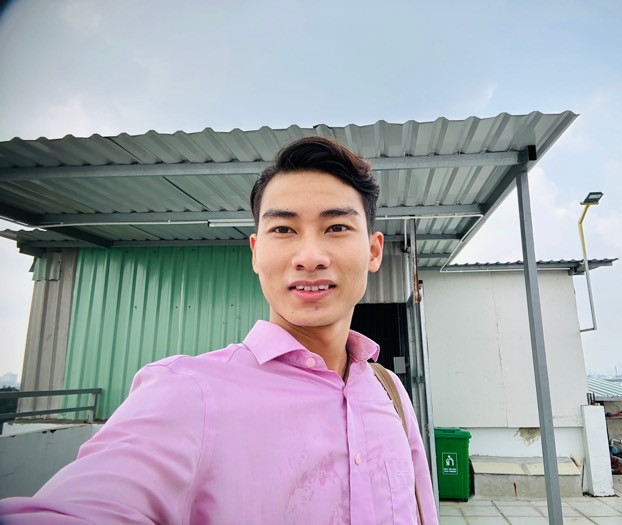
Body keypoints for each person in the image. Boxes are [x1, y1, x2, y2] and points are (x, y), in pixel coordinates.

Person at [0, 136, 439, 524]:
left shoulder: (390, 393)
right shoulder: (186, 393)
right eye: (283, 229)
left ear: (373, 251)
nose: (309, 256)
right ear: (256, 252)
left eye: (337, 227)